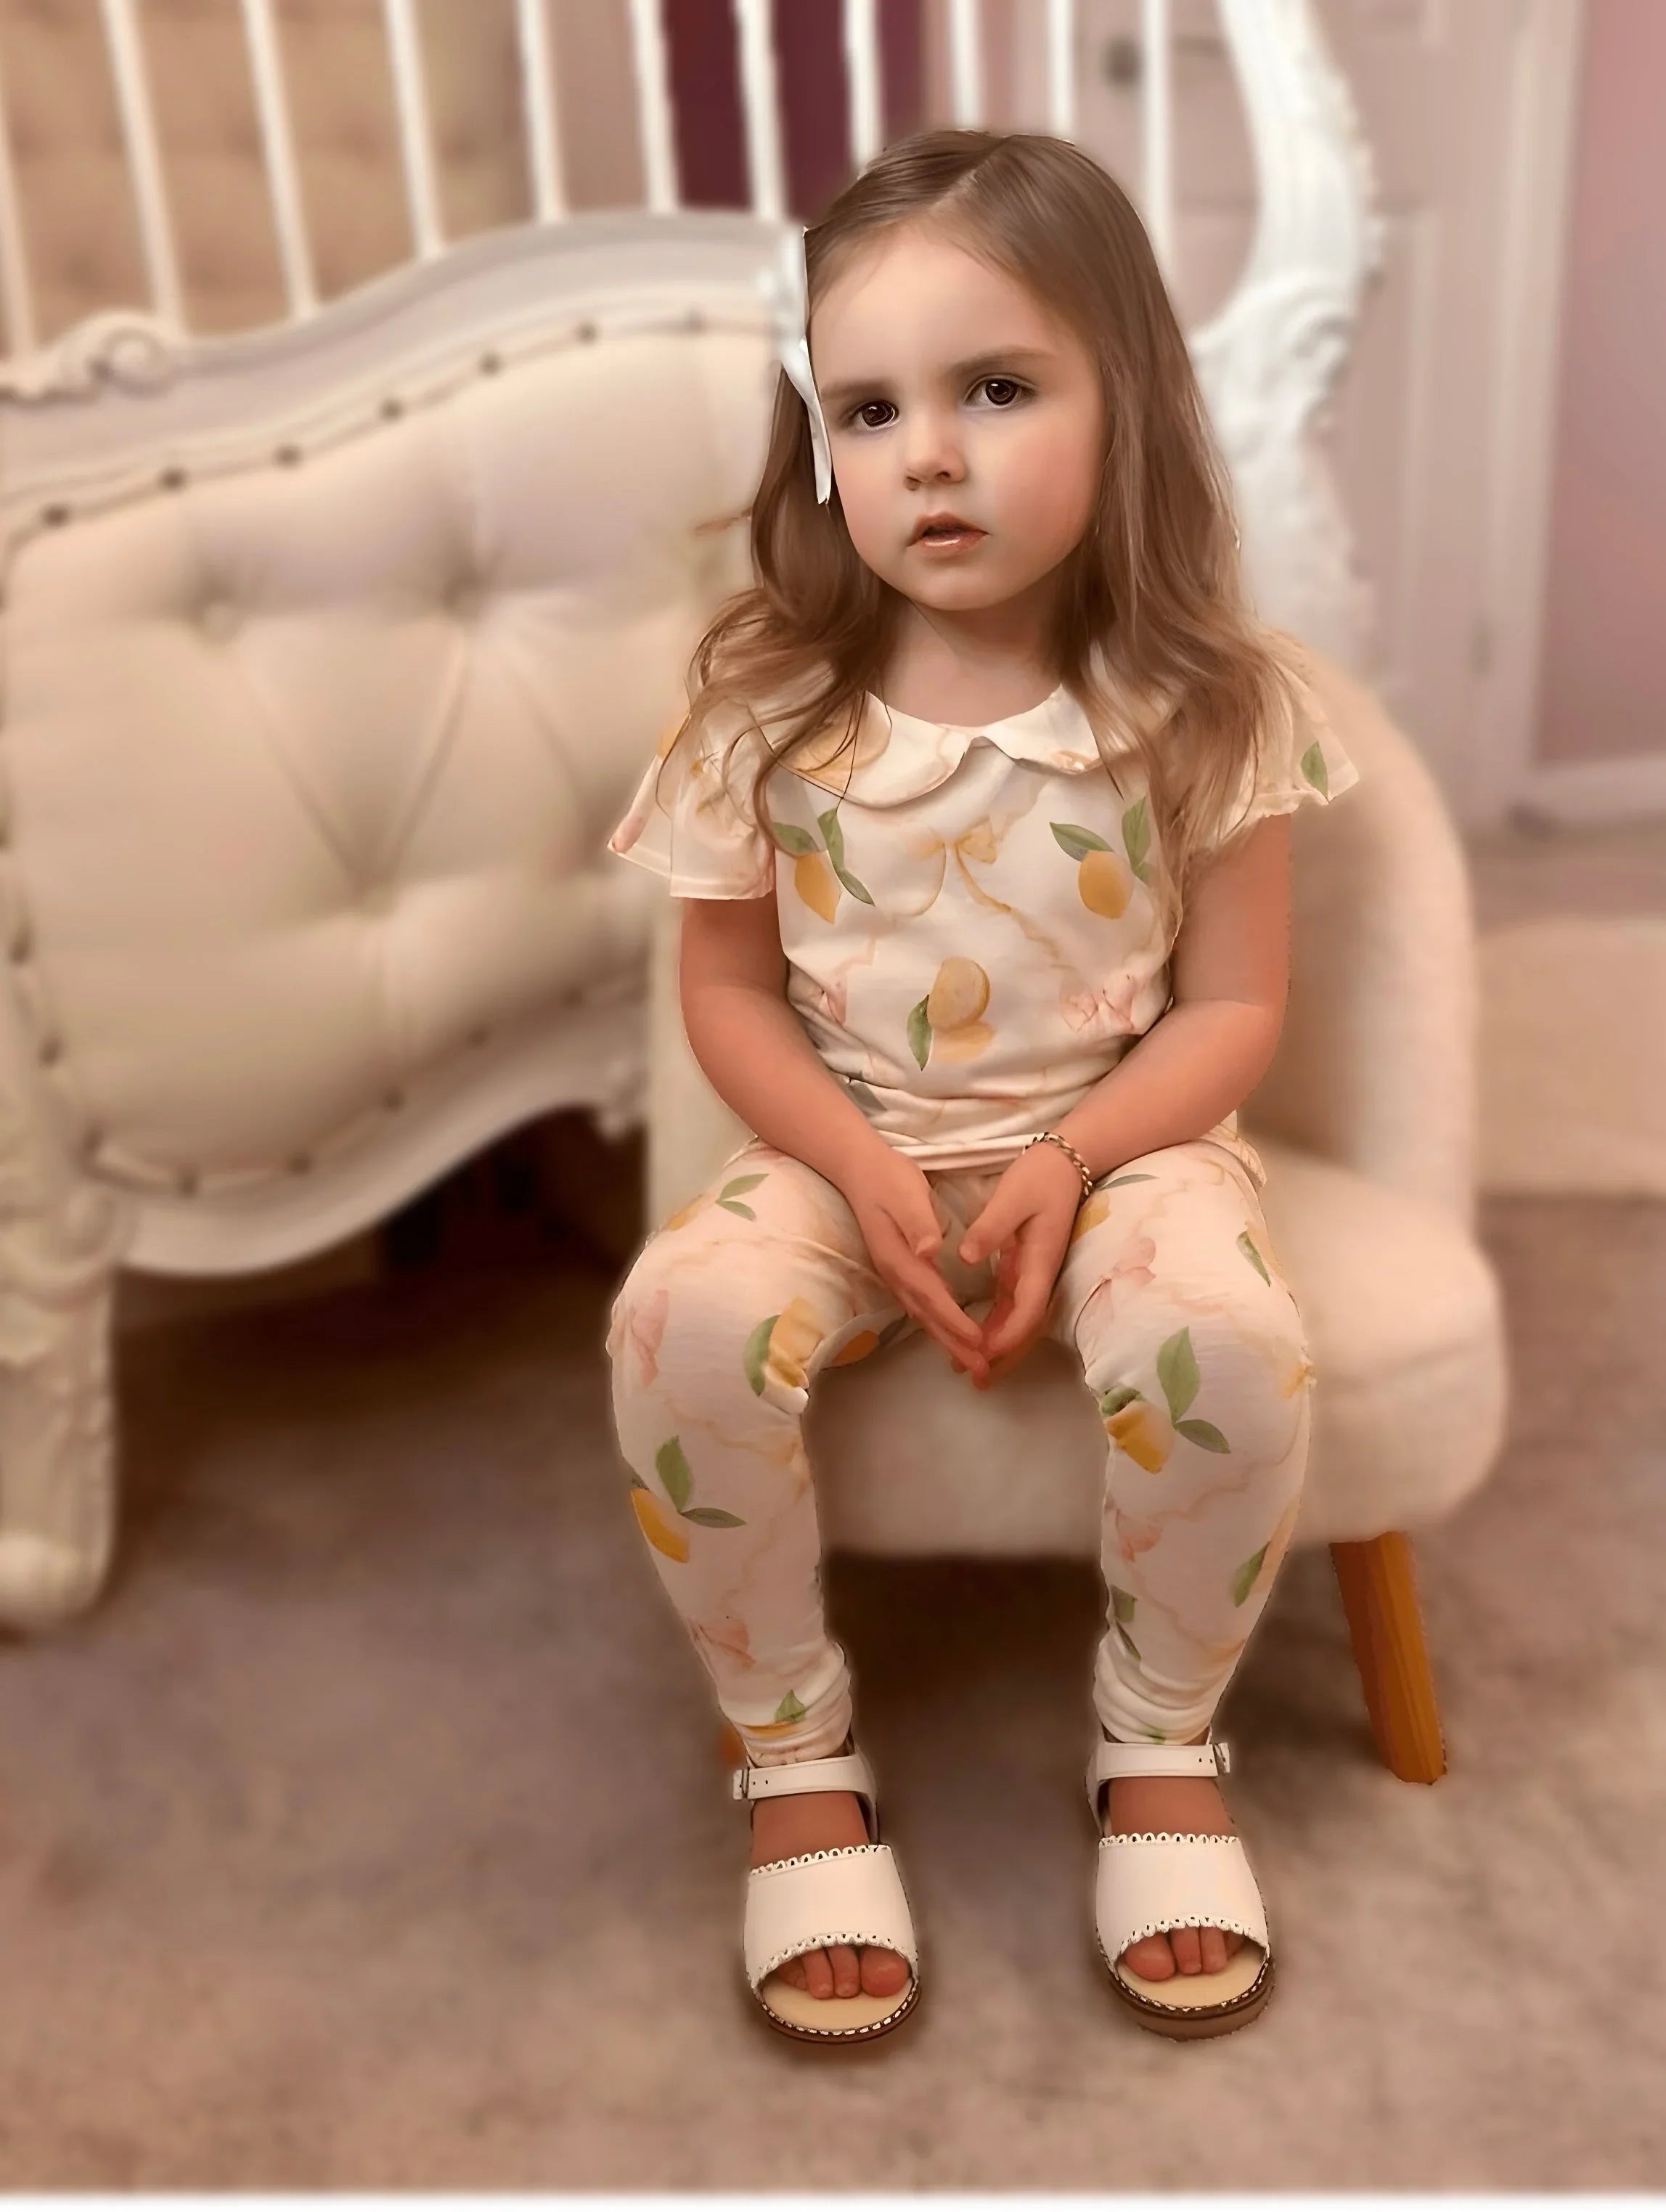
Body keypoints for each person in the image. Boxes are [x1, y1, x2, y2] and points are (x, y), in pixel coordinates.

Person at [603, 128, 1362, 2047]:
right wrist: (858, 1168)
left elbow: (1233, 1007)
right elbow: (727, 987)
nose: (924, 452)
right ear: (822, 441)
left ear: (1130, 405)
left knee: (1235, 1340)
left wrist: (1071, 1159)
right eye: (868, 409)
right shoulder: (762, 704)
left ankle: (1162, 1738)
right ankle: (791, 1754)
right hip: (845, 1129)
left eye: (995, 388)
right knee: (678, 1323)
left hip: (1126, 1133)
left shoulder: (1210, 701)